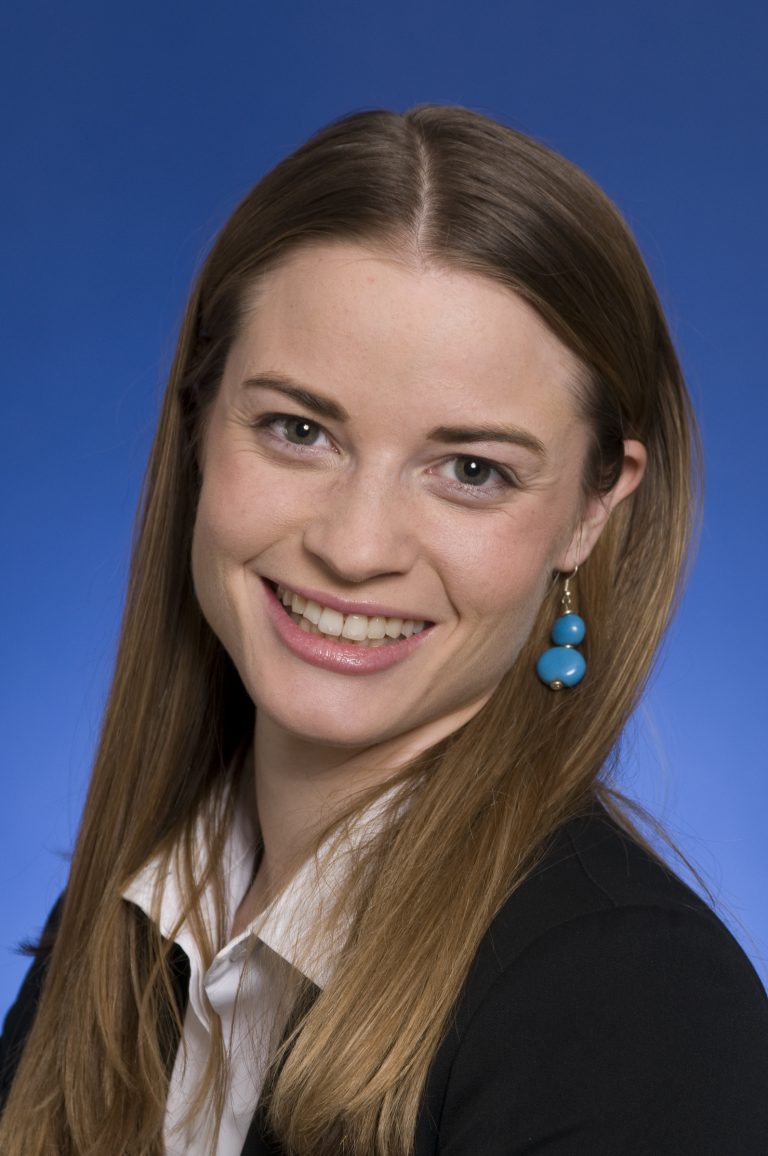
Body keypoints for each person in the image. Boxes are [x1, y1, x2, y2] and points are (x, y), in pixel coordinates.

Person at [1, 104, 766, 1156]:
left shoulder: (637, 1008)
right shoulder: (124, 931)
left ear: (592, 510)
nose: (356, 548)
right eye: (299, 429)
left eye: (472, 470)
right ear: (196, 426)